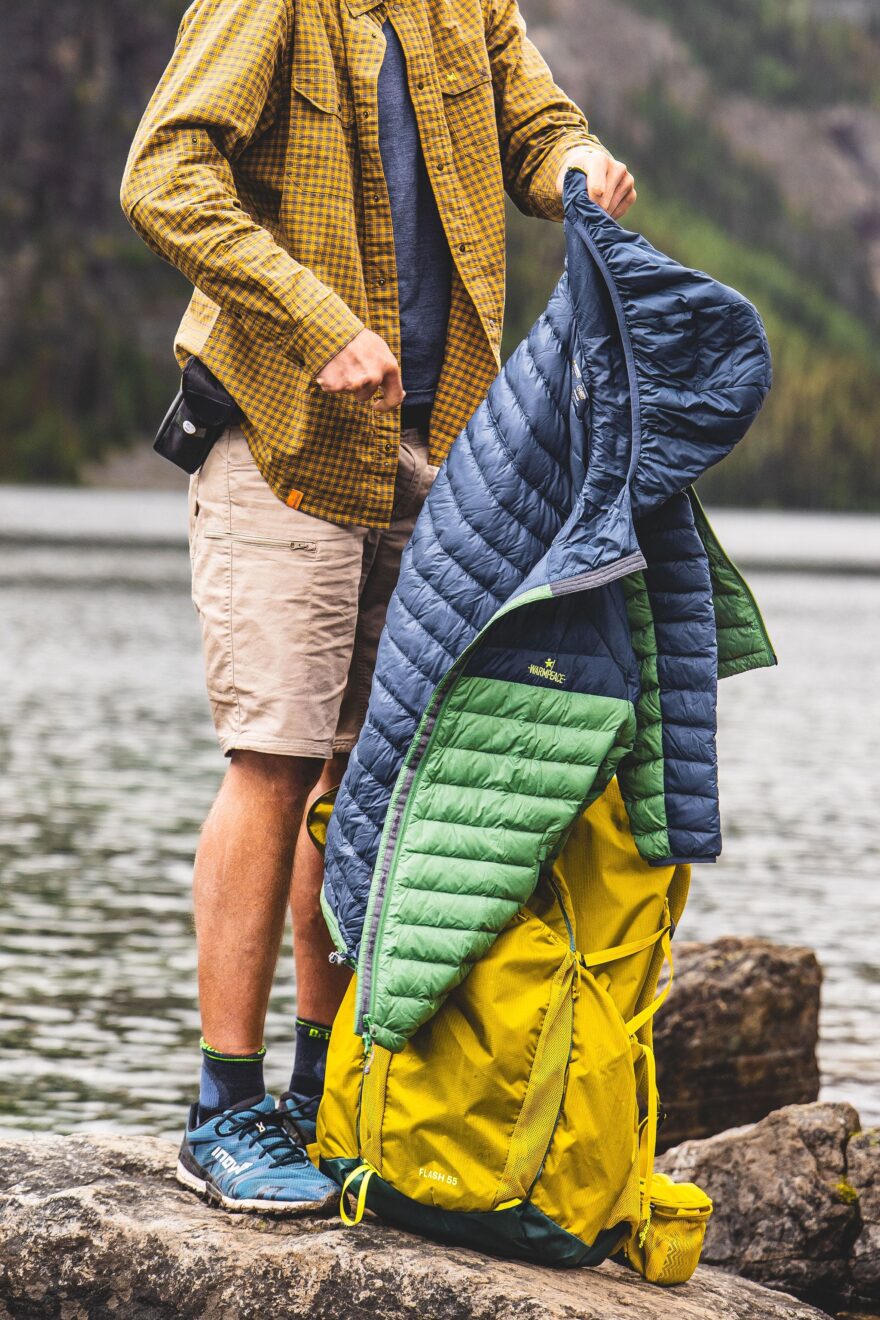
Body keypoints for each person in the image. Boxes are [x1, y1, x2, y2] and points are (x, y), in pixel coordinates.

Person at [121, 0, 636, 1215]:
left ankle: (322, 1095)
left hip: (441, 449)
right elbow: (163, 174)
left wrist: (576, 165)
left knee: (370, 778)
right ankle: (223, 1107)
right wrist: (315, 320)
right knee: (276, 757)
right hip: (283, 433)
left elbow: (537, 127)